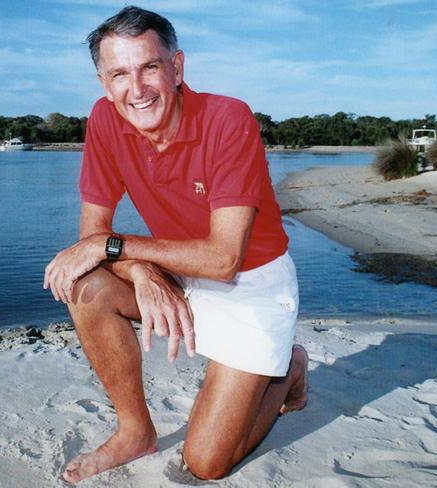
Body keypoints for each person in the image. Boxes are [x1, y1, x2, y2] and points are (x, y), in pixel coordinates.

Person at [43, 6, 308, 483]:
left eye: (149, 67)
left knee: (208, 463)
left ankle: (286, 370)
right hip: (179, 270)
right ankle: (134, 431)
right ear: (104, 83)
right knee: (83, 284)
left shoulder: (228, 117)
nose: (137, 89)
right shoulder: (104, 119)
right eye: (119, 73)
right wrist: (140, 271)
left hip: (252, 280)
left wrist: (118, 248)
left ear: (177, 67)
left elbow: (224, 260)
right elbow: (93, 240)